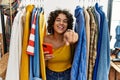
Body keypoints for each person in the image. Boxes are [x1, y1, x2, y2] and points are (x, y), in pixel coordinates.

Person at [43, 9, 78, 80]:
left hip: (68, 75)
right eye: (58, 20)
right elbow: (40, 62)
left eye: (65, 21)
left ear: (68, 25)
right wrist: (43, 58)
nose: (61, 23)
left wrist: (74, 36)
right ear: (52, 23)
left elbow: (75, 37)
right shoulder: (45, 39)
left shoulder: (69, 37)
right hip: (50, 75)